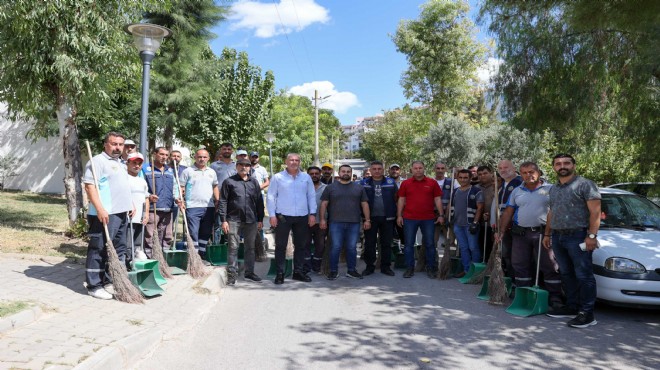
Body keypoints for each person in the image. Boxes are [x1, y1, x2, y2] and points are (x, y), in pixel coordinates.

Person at [543, 154, 601, 328]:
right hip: (558, 236)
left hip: (578, 236)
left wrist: (591, 236)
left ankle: (587, 313)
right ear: (554, 167)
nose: (562, 166)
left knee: (584, 276)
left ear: (574, 165)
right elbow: (552, 212)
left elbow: (595, 213)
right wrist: (547, 234)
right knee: (566, 273)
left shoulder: (585, 184)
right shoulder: (554, 189)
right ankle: (572, 306)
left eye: (566, 163)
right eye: (558, 163)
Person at [496, 162, 562, 307]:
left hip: (543, 234)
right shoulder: (517, 191)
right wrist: (500, 231)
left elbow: (556, 212)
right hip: (521, 234)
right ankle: (523, 295)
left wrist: (548, 234)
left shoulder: (551, 189)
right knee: (519, 265)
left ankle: (555, 297)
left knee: (549, 265)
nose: (528, 175)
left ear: (539, 172)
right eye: (524, 173)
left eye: (531, 172)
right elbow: (508, 212)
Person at [82, 132, 134, 300]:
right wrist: (100, 209)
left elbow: (121, 186)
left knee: (118, 249)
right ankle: (94, 285)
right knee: (99, 248)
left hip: (121, 213)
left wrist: (130, 204)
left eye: (120, 144)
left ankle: (109, 280)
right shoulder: (98, 161)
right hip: (105, 213)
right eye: (114, 144)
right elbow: (90, 187)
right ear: (105, 144)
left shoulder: (120, 162)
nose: (118, 147)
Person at [267, 153, 317, 284]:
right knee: (280, 246)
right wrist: (272, 215)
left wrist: (312, 214)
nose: (294, 162)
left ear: (299, 162)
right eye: (291, 160)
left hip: (302, 216)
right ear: (286, 161)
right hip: (283, 216)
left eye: (296, 160)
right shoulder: (278, 177)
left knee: (301, 245)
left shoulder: (306, 177)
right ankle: (280, 273)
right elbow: (271, 196)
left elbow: (311, 196)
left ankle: (298, 272)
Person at [320, 165, 370, 280]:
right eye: (343, 171)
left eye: (348, 171)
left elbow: (364, 204)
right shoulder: (330, 188)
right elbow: (324, 204)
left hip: (354, 223)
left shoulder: (359, 188)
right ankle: (333, 271)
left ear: (351, 173)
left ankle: (351, 270)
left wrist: (367, 220)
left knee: (352, 248)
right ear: (339, 173)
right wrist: (322, 219)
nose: (346, 173)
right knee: (336, 247)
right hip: (335, 223)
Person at [219, 158, 264, 285]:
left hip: (251, 220)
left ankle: (249, 272)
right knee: (233, 247)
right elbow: (223, 201)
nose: (243, 167)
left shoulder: (254, 182)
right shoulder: (229, 182)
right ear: (236, 166)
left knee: (250, 248)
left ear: (250, 168)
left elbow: (259, 202)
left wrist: (260, 219)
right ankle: (232, 275)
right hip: (233, 220)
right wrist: (223, 220)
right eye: (241, 165)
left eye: (246, 165)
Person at [396, 161, 444, 278]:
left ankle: (431, 268)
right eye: (415, 168)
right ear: (411, 170)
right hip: (409, 218)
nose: (418, 170)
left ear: (424, 169)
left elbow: (437, 199)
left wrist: (441, 215)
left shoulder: (432, 183)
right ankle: (409, 268)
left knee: (430, 244)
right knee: (408, 245)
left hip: (428, 218)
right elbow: (401, 200)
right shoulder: (405, 183)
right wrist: (399, 216)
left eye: (420, 168)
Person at [179, 149, 219, 260]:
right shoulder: (188, 171)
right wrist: (180, 200)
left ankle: (201, 254)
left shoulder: (212, 172)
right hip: (192, 206)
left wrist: (218, 200)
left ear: (208, 158)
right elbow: (181, 187)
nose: (202, 159)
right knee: (193, 232)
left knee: (206, 232)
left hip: (209, 206)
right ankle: (193, 256)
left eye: (204, 157)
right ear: (195, 157)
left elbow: (215, 186)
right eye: (199, 157)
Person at [361, 161, 397, 276]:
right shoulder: (364, 183)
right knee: (370, 243)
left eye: (379, 169)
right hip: (370, 218)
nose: (377, 171)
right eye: (374, 169)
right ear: (370, 170)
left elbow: (397, 199)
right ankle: (369, 267)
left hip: (388, 217)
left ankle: (385, 267)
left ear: (383, 170)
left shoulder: (391, 182)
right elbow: (360, 201)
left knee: (386, 243)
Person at [142, 147, 179, 258]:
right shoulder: (145, 168)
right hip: (153, 208)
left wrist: (177, 198)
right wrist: (148, 195)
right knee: (150, 234)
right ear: (154, 154)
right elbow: (141, 187)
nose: (164, 157)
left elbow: (175, 187)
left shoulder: (171, 170)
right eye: (161, 154)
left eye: (166, 155)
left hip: (168, 207)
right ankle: (151, 257)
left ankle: (164, 258)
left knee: (167, 234)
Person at [450, 169, 484, 278]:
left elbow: (480, 207)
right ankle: (466, 270)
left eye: (465, 178)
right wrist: (449, 218)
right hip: (458, 225)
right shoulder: (455, 191)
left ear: (470, 178)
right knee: (463, 248)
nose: (463, 180)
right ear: (457, 178)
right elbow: (452, 207)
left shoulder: (476, 191)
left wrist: (475, 222)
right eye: (460, 177)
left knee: (473, 247)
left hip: (470, 224)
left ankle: (475, 271)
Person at [496, 160, 523, 278]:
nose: (503, 170)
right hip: (503, 224)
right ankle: (509, 279)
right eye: (500, 168)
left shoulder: (519, 182)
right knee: (506, 253)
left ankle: (517, 281)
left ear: (513, 168)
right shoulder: (502, 185)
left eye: (506, 167)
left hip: (515, 224)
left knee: (517, 256)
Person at [126, 152, 149, 265]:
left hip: (140, 217)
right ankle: (126, 263)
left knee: (138, 243)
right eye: (134, 163)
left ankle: (135, 263)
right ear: (128, 163)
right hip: (129, 217)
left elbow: (146, 198)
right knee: (127, 243)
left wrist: (146, 214)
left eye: (139, 164)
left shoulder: (142, 181)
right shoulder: (125, 178)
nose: (137, 166)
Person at [305, 166, 327, 273]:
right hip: (305, 222)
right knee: (305, 244)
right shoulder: (302, 187)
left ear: (320, 174)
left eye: (316, 173)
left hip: (321, 222)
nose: (314, 175)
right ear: (308, 175)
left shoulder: (326, 188)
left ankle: (317, 265)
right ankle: (307, 266)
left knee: (320, 245)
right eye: (311, 174)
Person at [250, 151, 270, 258]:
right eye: (252, 157)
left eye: (256, 157)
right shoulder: (246, 167)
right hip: (247, 196)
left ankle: (260, 243)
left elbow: (267, 182)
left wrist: (257, 188)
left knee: (259, 219)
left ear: (258, 158)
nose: (254, 158)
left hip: (259, 196)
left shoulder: (262, 169)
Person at [433, 162, 457, 251]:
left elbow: (457, 195)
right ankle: (432, 261)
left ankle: (448, 261)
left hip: (449, 215)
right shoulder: (430, 181)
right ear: (434, 169)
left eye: (442, 168)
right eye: (438, 168)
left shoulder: (452, 182)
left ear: (445, 170)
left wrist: (448, 209)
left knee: (450, 240)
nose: (440, 170)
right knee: (432, 240)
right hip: (433, 215)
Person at [477, 165, 496, 262]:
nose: (482, 176)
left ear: (491, 173)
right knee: (479, 245)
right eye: (479, 174)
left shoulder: (496, 186)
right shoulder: (476, 188)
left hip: (492, 223)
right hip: (479, 222)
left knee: (491, 247)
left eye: (485, 173)